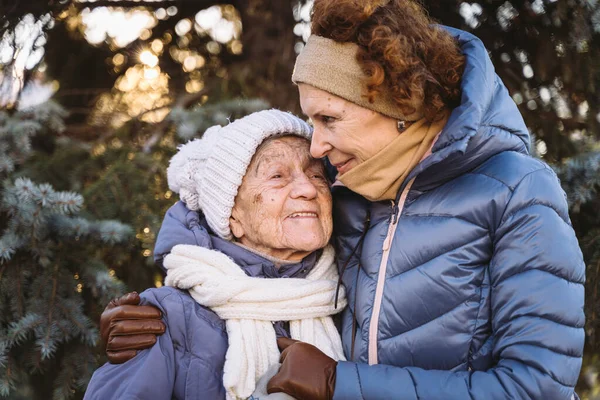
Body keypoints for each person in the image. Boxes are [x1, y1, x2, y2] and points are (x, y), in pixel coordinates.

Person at [99, 1, 586, 399]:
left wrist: (341, 384)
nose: (316, 148)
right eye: (311, 122)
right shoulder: (351, 181)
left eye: (329, 119)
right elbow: (228, 205)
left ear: (397, 102)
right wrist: (159, 313)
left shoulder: (518, 192)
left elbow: (536, 388)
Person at [84, 109, 347, 400]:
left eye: (316, 174)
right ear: (231, 215)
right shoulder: (165, 317)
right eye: (277, 176)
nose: (308, 188)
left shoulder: (352, 292)